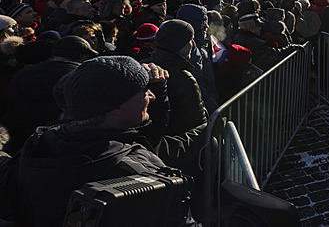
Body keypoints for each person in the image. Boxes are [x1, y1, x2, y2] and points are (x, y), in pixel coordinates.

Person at [16, 56, 205, 226]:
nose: (152, 96)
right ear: (116, 107)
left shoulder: (38, 145)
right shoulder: (139, 173)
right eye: (144, 91)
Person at [149, 19, 209, 135]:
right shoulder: (185, 79)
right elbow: (197, 123)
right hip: (181, 143)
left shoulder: (146, 67)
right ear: (180, 44)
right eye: (190, 40)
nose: (194, 44)